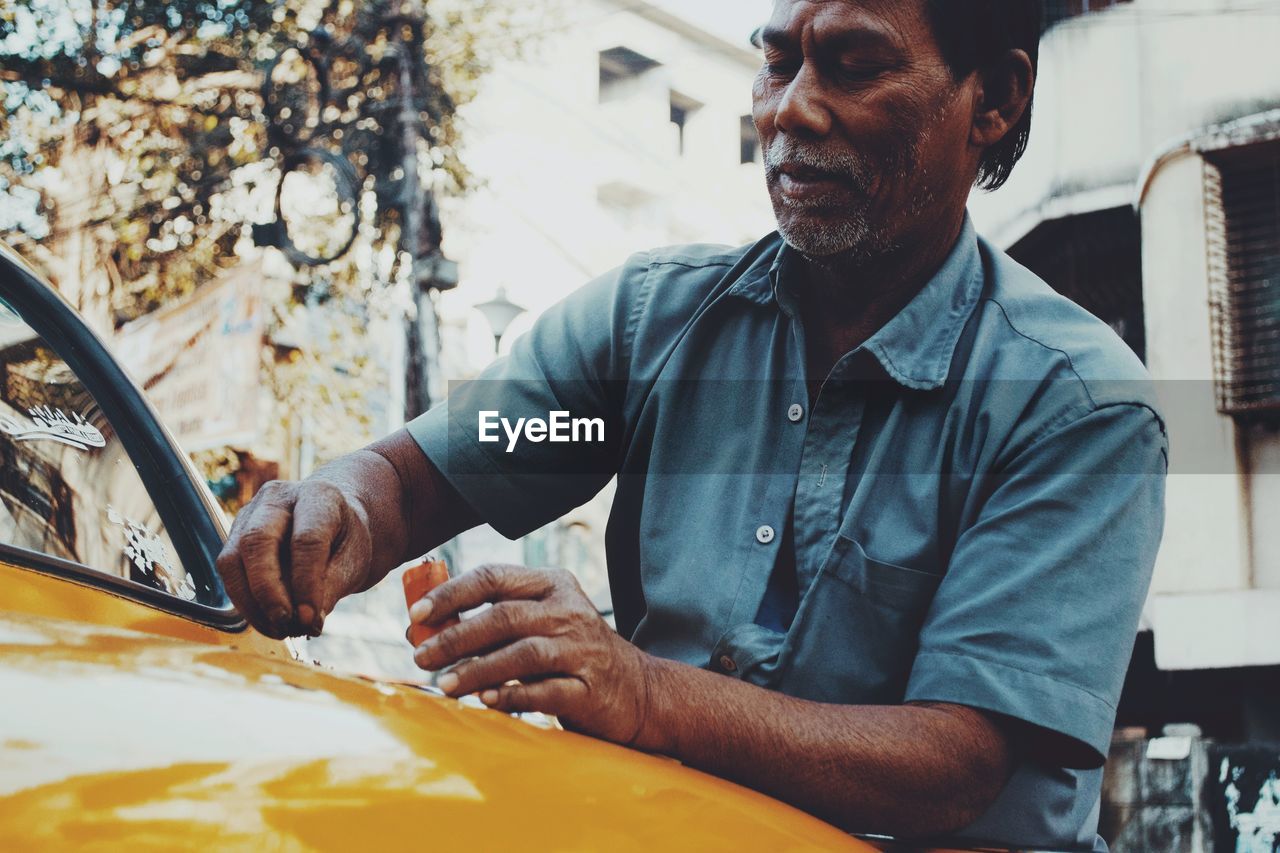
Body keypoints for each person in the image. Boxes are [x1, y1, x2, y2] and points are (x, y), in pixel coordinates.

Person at [215, 1, 1167, 849]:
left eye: (854, 65)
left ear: (994, 99)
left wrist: (638, 691)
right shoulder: (649, 326)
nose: (788, 109)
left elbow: (961, 759)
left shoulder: (1077, 405)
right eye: (777, 60)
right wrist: (341, 507)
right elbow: (425, 480)